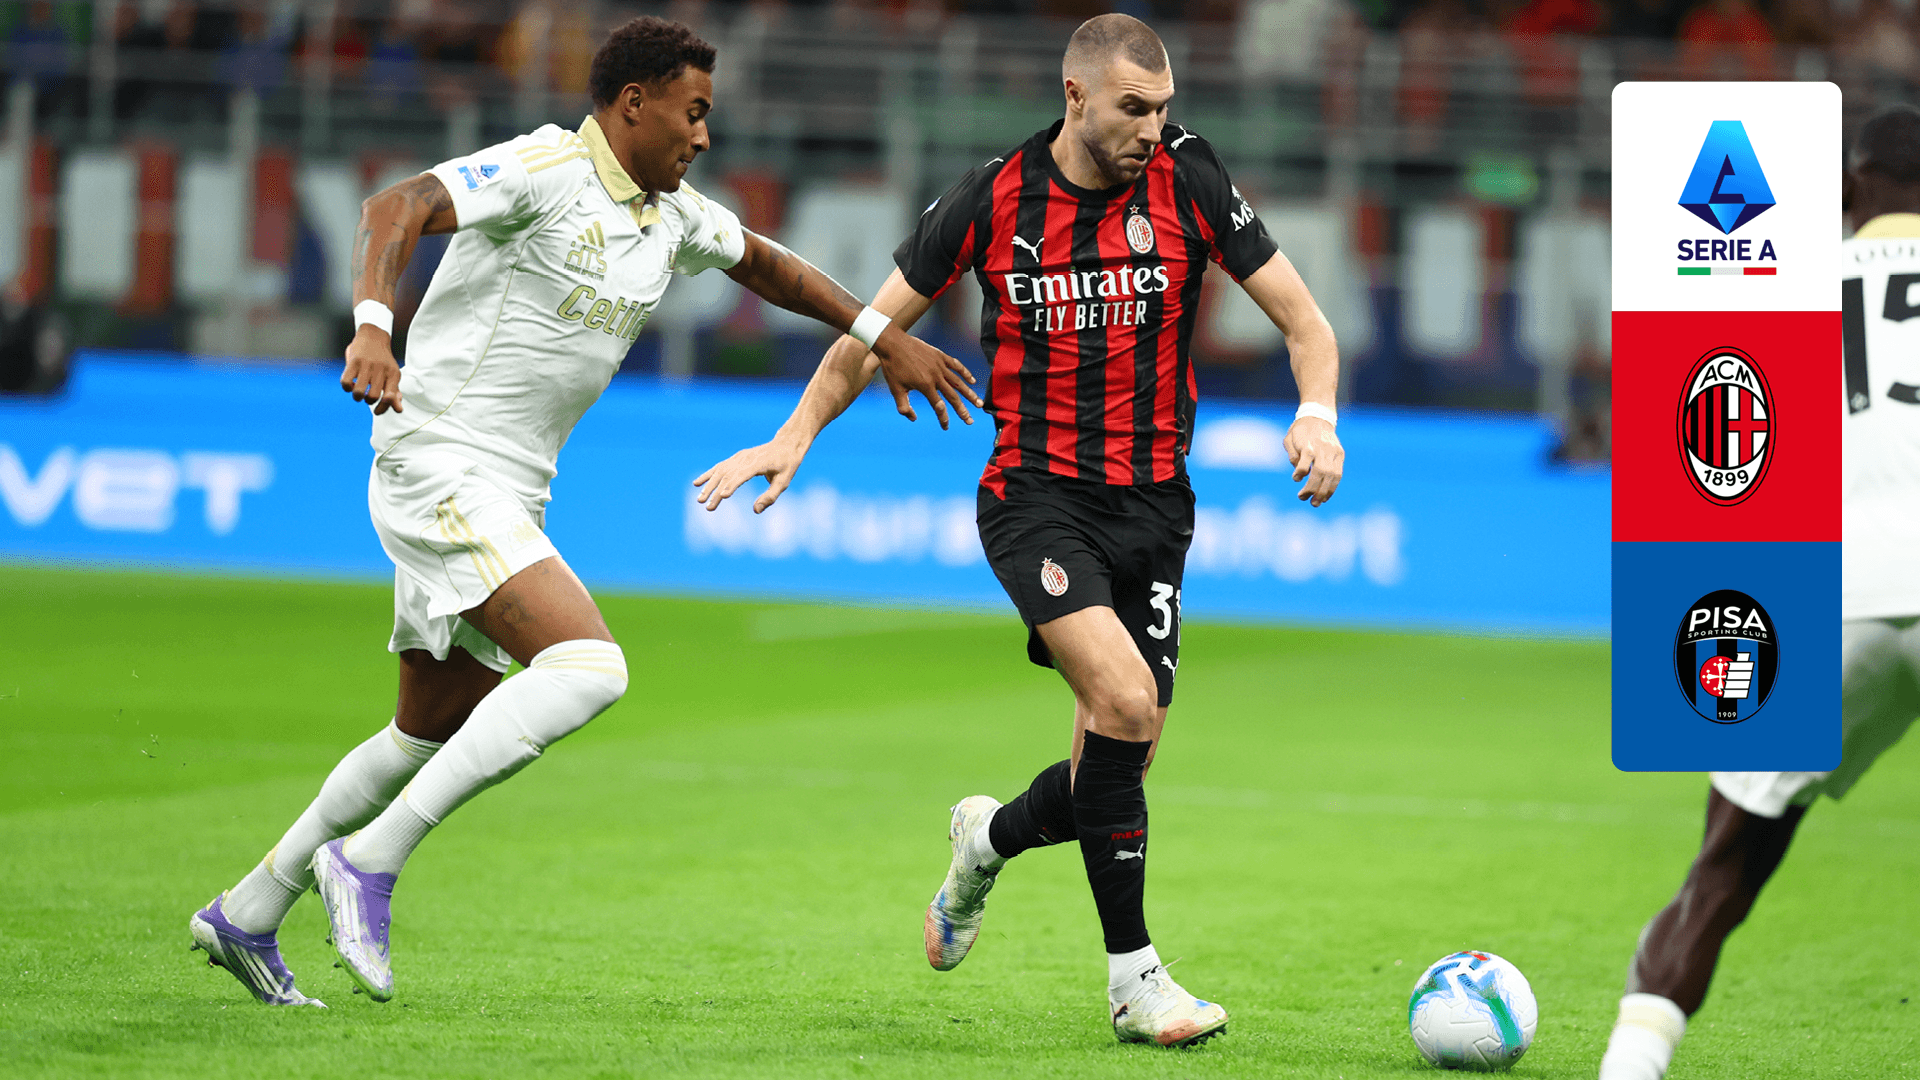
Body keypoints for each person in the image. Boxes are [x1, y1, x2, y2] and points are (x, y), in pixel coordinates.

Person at [188, 15, 975, 1007]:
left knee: (424, 731)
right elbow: (396, 205)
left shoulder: (670, 214)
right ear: (633, 104)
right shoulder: (543, 170)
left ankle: (248, 911)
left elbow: (768, 263)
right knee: (591, 668)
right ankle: (370, 861)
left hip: (510, 489)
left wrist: (879, 333)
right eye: (692, 113)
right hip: (439, 461)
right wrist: (374, 329)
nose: (703, 136)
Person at [695, 13, 1344, 1048]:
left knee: (1115, 767)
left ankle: (985, 842)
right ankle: (1136, 983)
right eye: (1134, 108)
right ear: (1075, 95)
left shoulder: (1190, 179)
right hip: (1035, 500)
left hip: (1156, 508)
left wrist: (1318, 414)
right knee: (1124, 703)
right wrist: (794, 434)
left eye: (1164, 108)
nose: (1152, 128)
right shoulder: (992, 198)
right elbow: (870, 331)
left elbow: (1306, 324)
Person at [1596, 104, 1920, 1080]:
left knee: (1724, 871)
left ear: (1850, 188)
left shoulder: (1788, 284)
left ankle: (1630, 1065)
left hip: (1842, 587)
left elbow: (1720, 449)